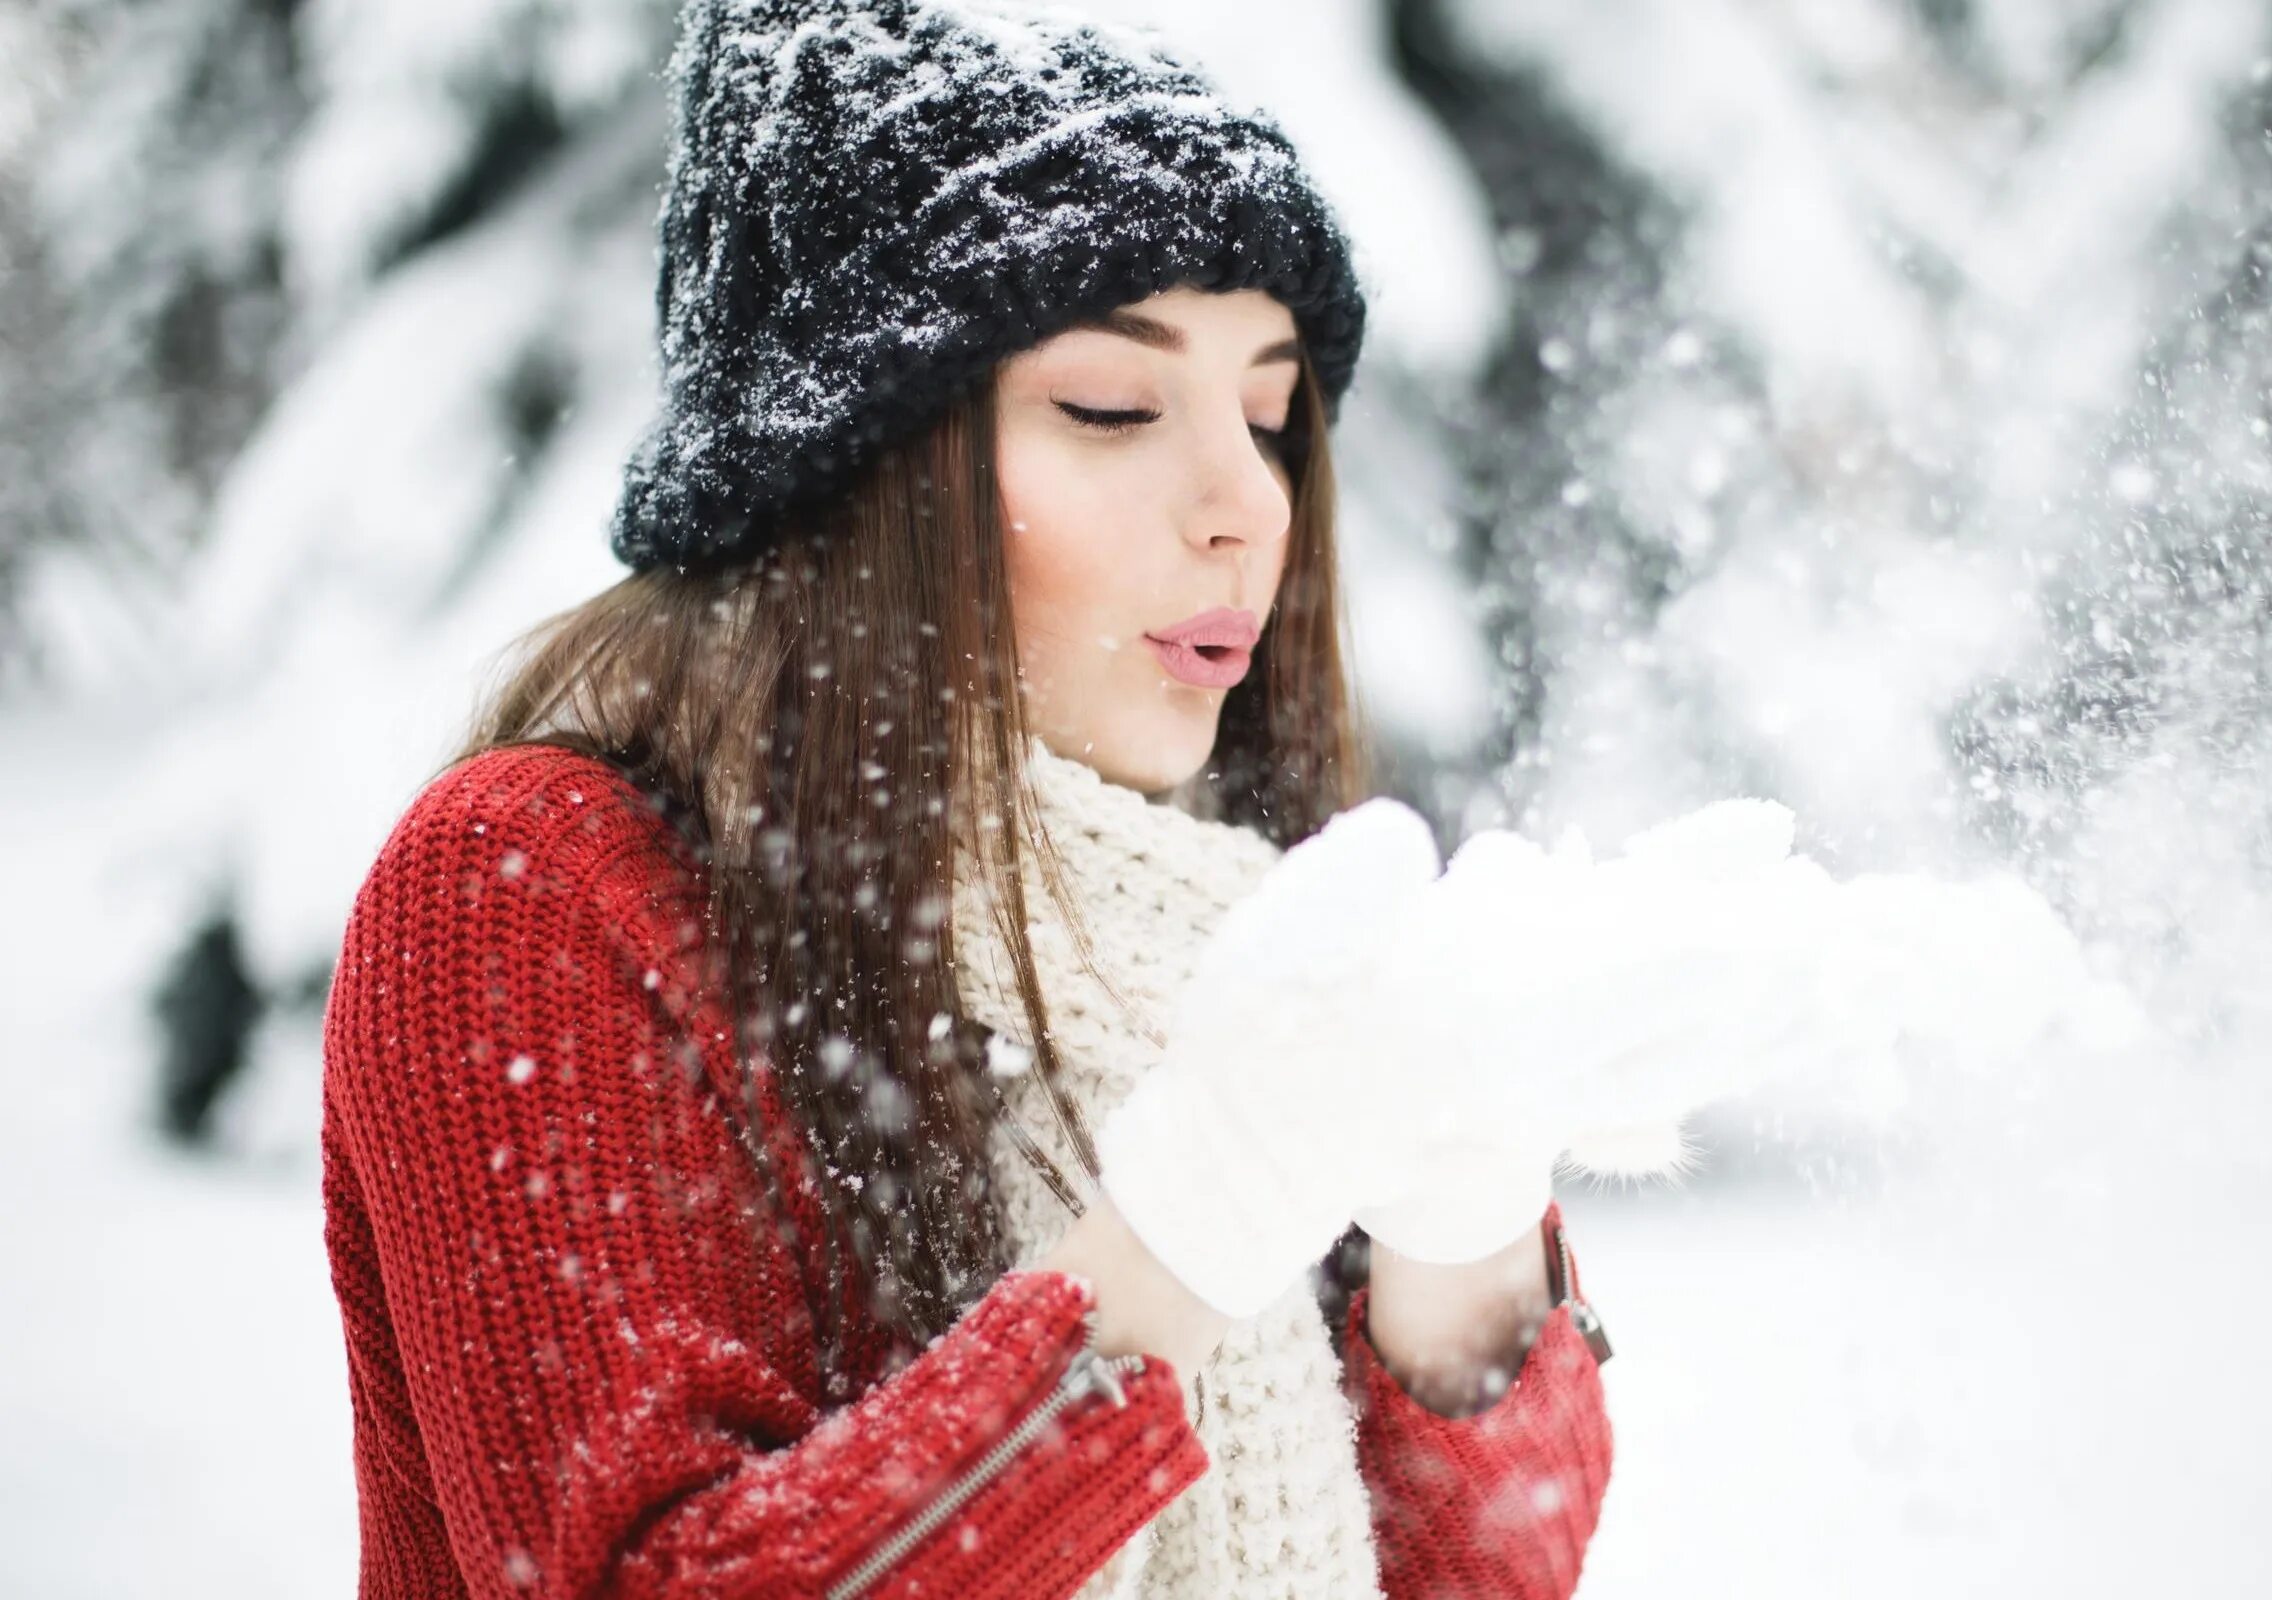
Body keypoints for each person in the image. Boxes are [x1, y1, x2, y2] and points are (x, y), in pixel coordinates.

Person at [320, 3, 1615, 1596]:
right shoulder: (532, 892)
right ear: (857, 468)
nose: (1244, 508)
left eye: (1273, 416)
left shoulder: (1212, 912)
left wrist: (1464, 1237)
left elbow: (1475, 1573)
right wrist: (1169, 1252)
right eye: (1111, 407)